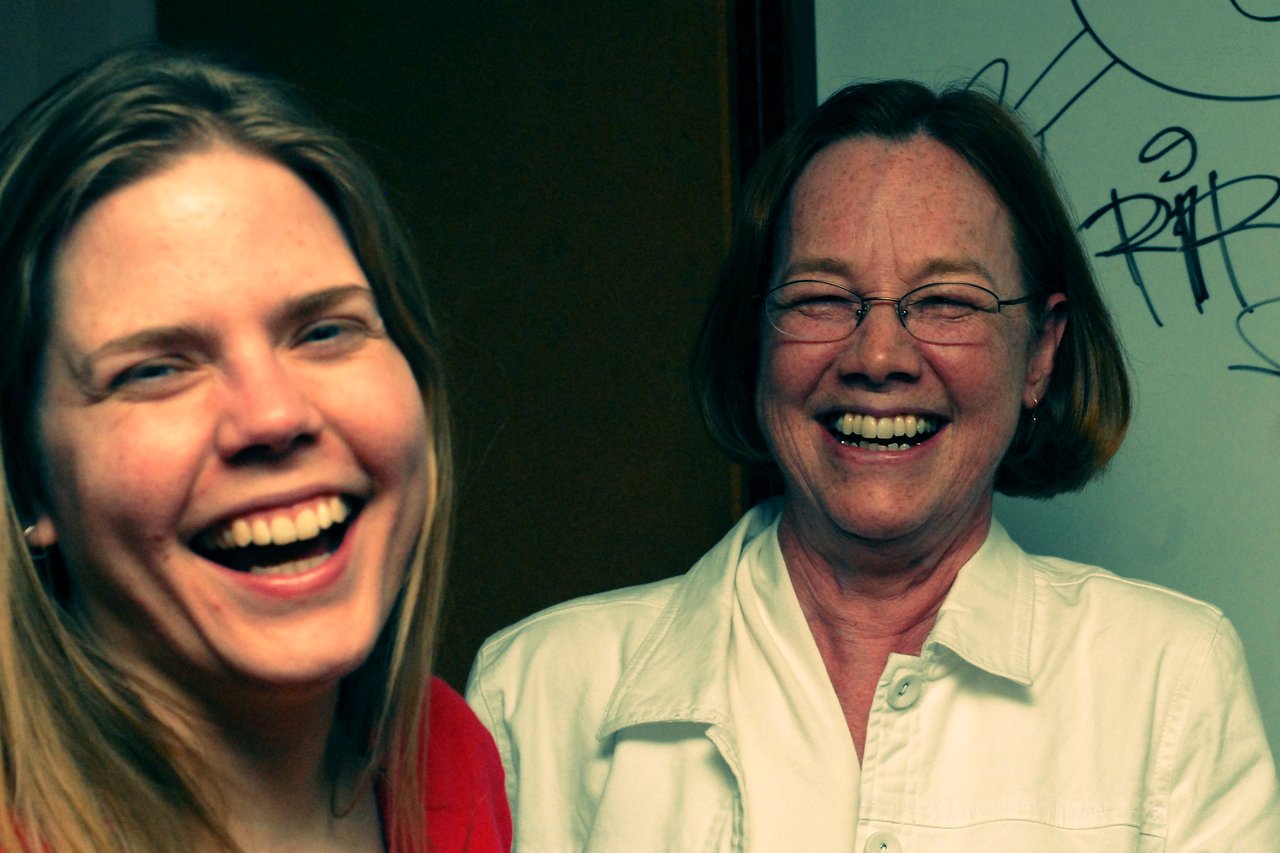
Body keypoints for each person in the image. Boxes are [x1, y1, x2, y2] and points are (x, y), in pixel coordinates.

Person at [467, 80, 1280, 849]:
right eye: (820, 297)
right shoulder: (539, 692)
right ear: (757, 341)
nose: (879, 355)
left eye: (947, 302)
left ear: (1039, 351)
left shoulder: (1168, 680)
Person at [0, 49, 510, 852]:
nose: (273, 415)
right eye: (157, 369)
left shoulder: (445, 760)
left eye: (324, 329)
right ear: (29, 483)